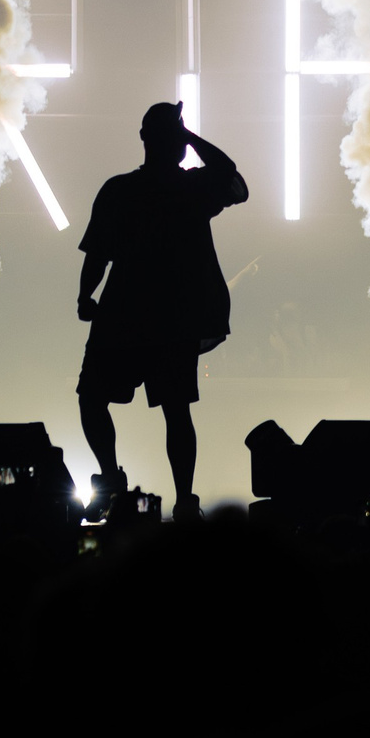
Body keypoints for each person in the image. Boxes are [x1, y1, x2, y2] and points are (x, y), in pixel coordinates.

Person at [74, 102, 248, 519]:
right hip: (173, 315)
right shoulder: (190, 189)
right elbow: (233, 180)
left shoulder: (121, 190)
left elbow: (98, 253)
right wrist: (189, 136)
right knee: (174, 410)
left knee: (95, 397)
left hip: (126, 311)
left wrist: (85, 296)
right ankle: (184, 498)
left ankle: (111, 478)